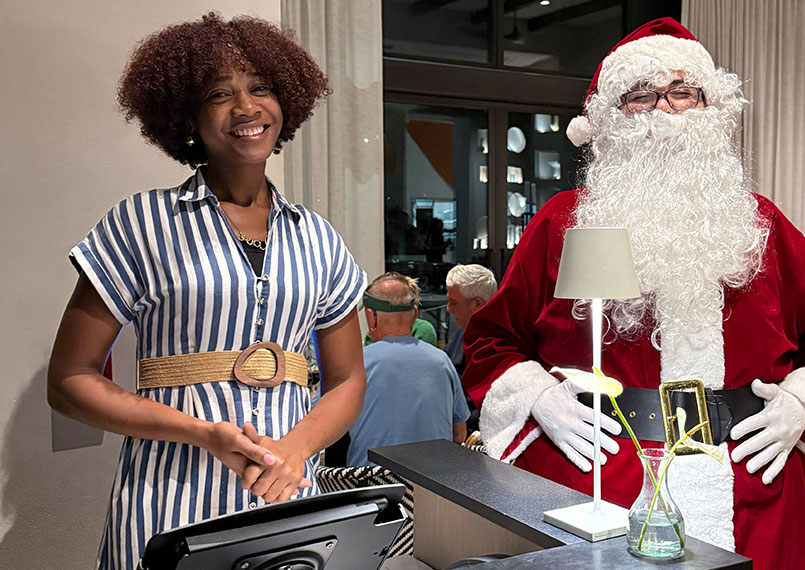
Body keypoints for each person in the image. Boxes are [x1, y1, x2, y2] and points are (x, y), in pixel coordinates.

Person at [461, 18, 805, 569]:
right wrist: (538, 398)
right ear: (608, 118)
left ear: (709, 108)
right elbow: (491, 344)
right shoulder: (562, 224)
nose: (663, 110)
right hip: (596, 475)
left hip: (751, 483)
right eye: (639, 95)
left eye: (682, 92)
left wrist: (799, 402)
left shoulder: (763, 225)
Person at [46, 14, 367, 570]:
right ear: (187, 117)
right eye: (220, 93)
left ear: (286, 99)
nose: (246, 107)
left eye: (260, 87)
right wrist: (203, 434)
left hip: (288, 500)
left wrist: (296, 451)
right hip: (166, 502)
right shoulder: (141, 222)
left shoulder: (320, 238)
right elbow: (70, 381)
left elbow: (348, 379)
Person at [348, 273, 470, 466]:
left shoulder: (356, 363)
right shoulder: (442, 362)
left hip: (374, 485)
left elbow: (318, 421)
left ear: (371, 317)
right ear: (414, 314)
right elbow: (459, 433)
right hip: (433, 487)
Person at [444, 264, 498, 374]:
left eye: (454, 302)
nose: (448, 308)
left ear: (477, 304)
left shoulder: (497, 348)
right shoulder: (463, 332)